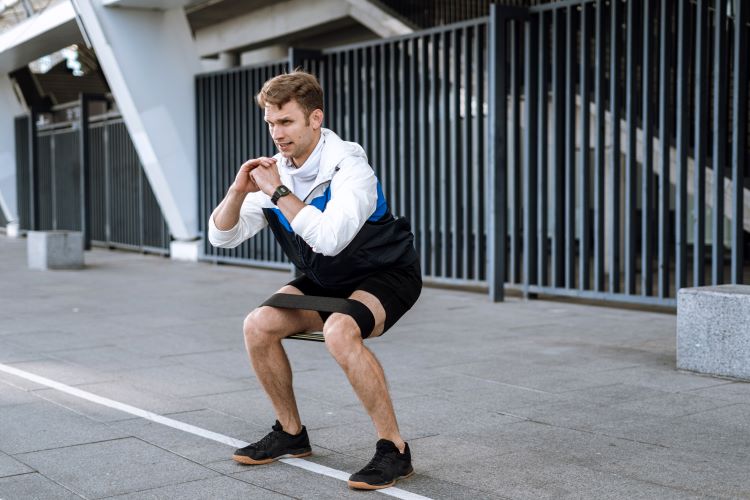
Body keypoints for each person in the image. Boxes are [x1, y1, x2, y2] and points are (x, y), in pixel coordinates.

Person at [207, 70, 422, 490]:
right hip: (327, 275)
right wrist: (237, 191)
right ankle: (290, 434)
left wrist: (275, 193)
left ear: (315, 118)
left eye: (286, 121)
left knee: (340, 331)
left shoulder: (350, 168)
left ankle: (394, 450)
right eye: (270, 122)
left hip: (385, 272)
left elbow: (329, 238)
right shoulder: (275, 172)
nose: (276, 133)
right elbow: (222, 236)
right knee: (258, 324)